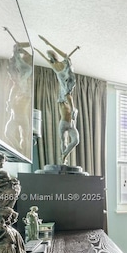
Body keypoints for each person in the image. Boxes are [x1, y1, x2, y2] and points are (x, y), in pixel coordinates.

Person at [35, 36, 81, 165]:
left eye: (51, 54)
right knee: (63, 141)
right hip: (64, 122)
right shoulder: (62, 99)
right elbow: (45, 58)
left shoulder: (64, 63)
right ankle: (64, 159)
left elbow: (66, 55)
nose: (51, 57)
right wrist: (37, 51)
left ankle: (65, 154)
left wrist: (49, 43)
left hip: (71, 123)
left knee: (76, 141)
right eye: (50, 55)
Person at [3, 27, 33, 152]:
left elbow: (19, 61)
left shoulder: (26, 70)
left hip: (21, 116)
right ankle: (18, 149)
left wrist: (18, 50)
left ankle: (22, 150)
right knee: (8, 134)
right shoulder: (17, 86)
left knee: (24, 136)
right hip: (15, 117)